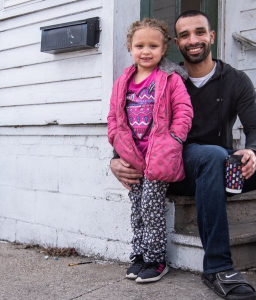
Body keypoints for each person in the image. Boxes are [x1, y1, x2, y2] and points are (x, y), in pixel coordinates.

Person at [111, 10, 256, 299]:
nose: (193, 39)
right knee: (212, 155)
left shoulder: (235, 80)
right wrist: (115, 158)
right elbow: (130, 118)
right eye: (185, 35)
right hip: (177, 168)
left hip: (222, 166)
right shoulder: (167, 78)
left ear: (211, 36)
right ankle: (218, 267)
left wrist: (254, 151)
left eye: (200, 32)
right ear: (176, 42)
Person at [107, 18, 193, 284]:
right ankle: (140, 256)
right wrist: (115, 141)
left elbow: (183, 111)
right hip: (133, 158)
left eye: (153, 46)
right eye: (139, 45)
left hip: (159, 156)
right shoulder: (123, 81)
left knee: (151, 208)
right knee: (137, 210)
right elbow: (113, 116)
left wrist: (174, 139)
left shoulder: (170, 79)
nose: (146, 51)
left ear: (164, 48)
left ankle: (156, 260)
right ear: (130, 48)